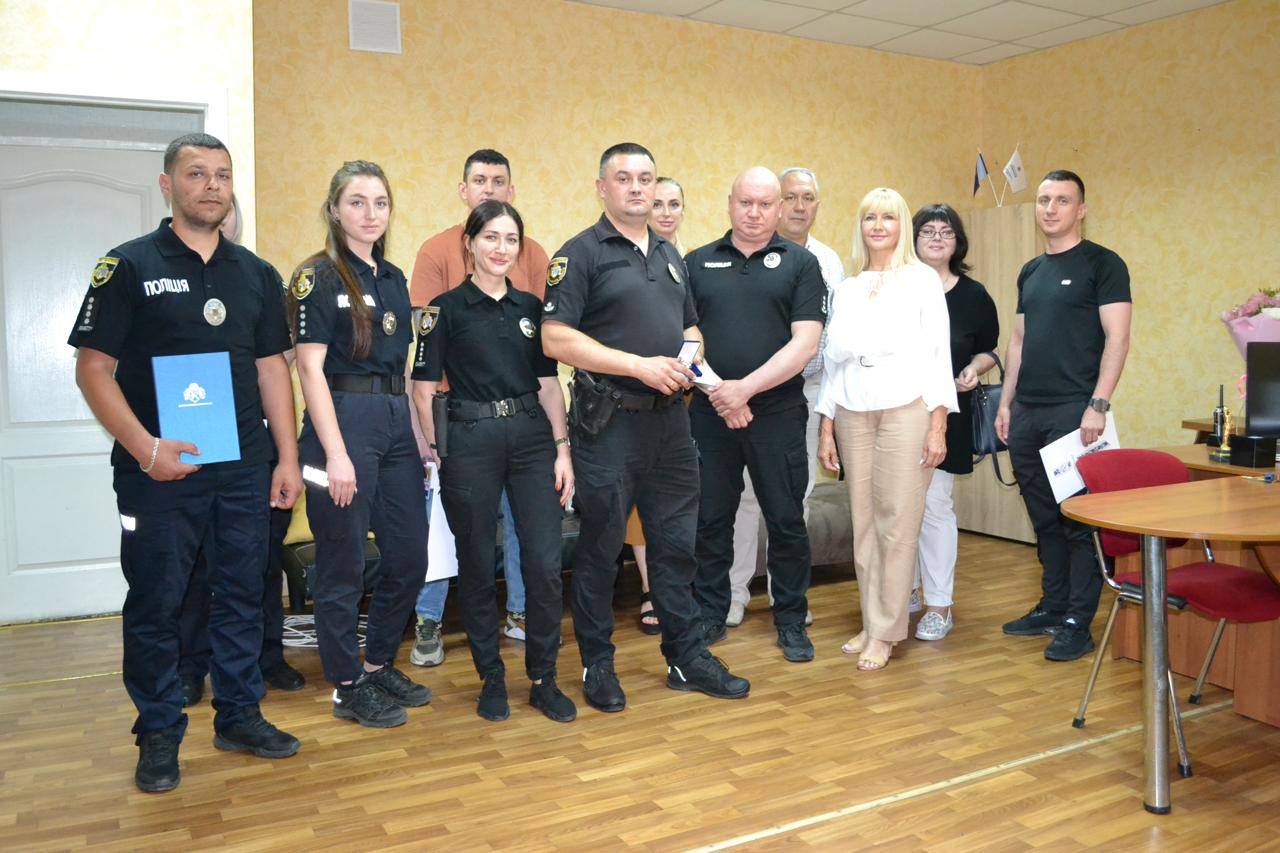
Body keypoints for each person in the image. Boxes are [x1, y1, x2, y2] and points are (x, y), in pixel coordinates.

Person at [68, 133, 303, 793]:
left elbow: (271, 371)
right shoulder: (128, 265)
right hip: (157, 472)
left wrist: (286, 457)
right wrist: (146, 448)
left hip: (243, 468)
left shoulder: (255, 274)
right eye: (197, 173)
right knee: (158, 602)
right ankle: (158, 733)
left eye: (222, 175)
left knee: (242, 595)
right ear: (167, 184)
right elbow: (93, 369)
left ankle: (239, 715)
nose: (212, 185)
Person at [542, 142, 749, 711]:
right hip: (609, 425)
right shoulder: (579, 254)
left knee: (677, 547)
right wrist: (638, 366)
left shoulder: (669, 254)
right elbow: (555, 338)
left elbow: (691, 329)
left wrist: (690, 360)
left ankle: (686, 657)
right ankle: (597, 664)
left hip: (672, 426)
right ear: (602, 187)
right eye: (624, 178)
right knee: (601, 549)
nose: (637, 188)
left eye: (645, 178)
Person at [411, 200, 577, 723]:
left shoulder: (533, 309)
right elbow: (421, 389)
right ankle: (492, 677)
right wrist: (436, 450)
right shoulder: (443, 311)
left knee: (544, 564)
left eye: (510, 239)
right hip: (469, 441)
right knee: (478, 564)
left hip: (531, 439)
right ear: (470, 243)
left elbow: (549, 385)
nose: (501, 248)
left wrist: (562, 448)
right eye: (490, 237)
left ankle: (543, 678)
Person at [290, 160, 432, 728]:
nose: (370, 213)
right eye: (356, 202)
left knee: (410, 555)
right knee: (343, 563)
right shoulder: (318, 277)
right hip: (341, 423)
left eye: (380, 202)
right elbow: (309, 369)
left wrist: (420, 438)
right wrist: (336, 454)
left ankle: (376, 665)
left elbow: (404, 369)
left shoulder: (393, 278)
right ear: (334, 210)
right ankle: (347, 685)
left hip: (395, 423)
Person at [408, 149, 550, 668]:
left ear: (512, 191)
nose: (489, 188)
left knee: (524, 528)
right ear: (463, 189)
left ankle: (520, 612)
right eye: (479, 180)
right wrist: (434, 439)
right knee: (449, 533)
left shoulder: (532, 252)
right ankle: (429, 618)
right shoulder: (435, 250)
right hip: (456, 416)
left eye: (499, 181)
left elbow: (541, 333)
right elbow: (425, 338)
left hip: (521, 419)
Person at [687, 167, 825, 662]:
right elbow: (684, 340)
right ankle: (711, 611)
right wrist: (721, 394)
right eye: (745, 202)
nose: (754, 213)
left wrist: (744, 390)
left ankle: (790, 619)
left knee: (786, 519)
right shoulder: (697, 262)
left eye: (765, 205)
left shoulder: (801, 264)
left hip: (779, 412)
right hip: (711, 413)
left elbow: (805, 344)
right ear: (729, 203)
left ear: (779, 208)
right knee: (711, 518)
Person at [816, 187, 957, 672]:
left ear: (902, 227)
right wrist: (826, 425)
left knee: (898, 524)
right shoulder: (848, 287)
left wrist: (938, 424)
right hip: (852, 410)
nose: (878, 226)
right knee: (864, 524)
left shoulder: (921, 281)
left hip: (906, 409)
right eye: (870, 217)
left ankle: (886, 631)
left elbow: (939, 356)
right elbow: (833, 365)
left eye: (889, 217)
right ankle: (872, 620)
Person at [995, 170, 1131, 661]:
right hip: (1028, 411)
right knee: (1044, 518)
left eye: (1062, 200)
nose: (1050, 209)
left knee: (1078, 520)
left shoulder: (1103, 264)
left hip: (1076, 411)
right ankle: (1053, 606)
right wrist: (1005, 402)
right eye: (1044, 200)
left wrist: (1098, 404)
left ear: (1081, 210)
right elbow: (1018, 340)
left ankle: (1078, 620)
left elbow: (1118, 337)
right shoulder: (1031, 271)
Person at [177, 194, 306, 707]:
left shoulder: (261, 278)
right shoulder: (167, 278)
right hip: (195, 437)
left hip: (257, 444)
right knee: (195, 565)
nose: (220, 219)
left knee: (261, 561)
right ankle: (191, 665)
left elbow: (283, 355)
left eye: (229, 213)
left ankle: (267, 656)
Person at [724, 166, 845, 629]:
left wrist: (829, 411)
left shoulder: (828, 262)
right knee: (743, 499)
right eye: (790, 196)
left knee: (794, 500)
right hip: (745, 398)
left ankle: (786, 596)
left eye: (807, 197)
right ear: (777, 205)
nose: (799, 206)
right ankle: (733, 594)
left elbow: (830, 342)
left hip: (806, 395)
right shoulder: (748, 256)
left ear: (817, 205)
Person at [910, 204, 999, 642]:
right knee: (895, 506)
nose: (937, 238)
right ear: (913, 239)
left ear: (958, 242)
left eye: (946, 232)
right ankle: (905, 590)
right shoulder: (897, 288)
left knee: (934, 505)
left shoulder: (974, 294)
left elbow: (989, 349)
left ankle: (939, 604)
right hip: (893, 412)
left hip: (948, 412)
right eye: (928, 231)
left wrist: (974, 368)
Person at [626, 175, 686, 636]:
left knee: (677, 504)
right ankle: (650, 589)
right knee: (638, 506)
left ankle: (676, 592)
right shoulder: (616, 256)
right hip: (629, 405)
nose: (665, 212)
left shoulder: (685, 261)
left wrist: (691, 367)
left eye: (673, 204)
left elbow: (694, 328)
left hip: (684, 402)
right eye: (658, 203)